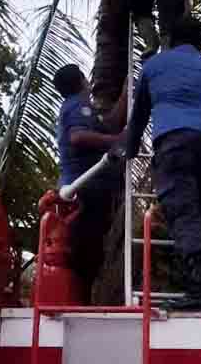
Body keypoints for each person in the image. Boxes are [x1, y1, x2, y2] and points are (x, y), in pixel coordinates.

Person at [121, 15, 201, 310]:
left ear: (169, 40)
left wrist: (127, 150)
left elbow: (139, 116)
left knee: (183, 210)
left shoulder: (154, 66)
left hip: (174, 143)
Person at [53, 64, 127, 303]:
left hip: (87, 190)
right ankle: (78, 302)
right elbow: (78, 137)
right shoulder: (78, 105)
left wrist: (127, 90)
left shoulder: (83, 109)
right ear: (83, 82)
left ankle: (81, 300)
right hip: (83, 190)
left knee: (90, 252)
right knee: (85, 253)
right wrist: (115, 141)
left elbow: (112, 123)